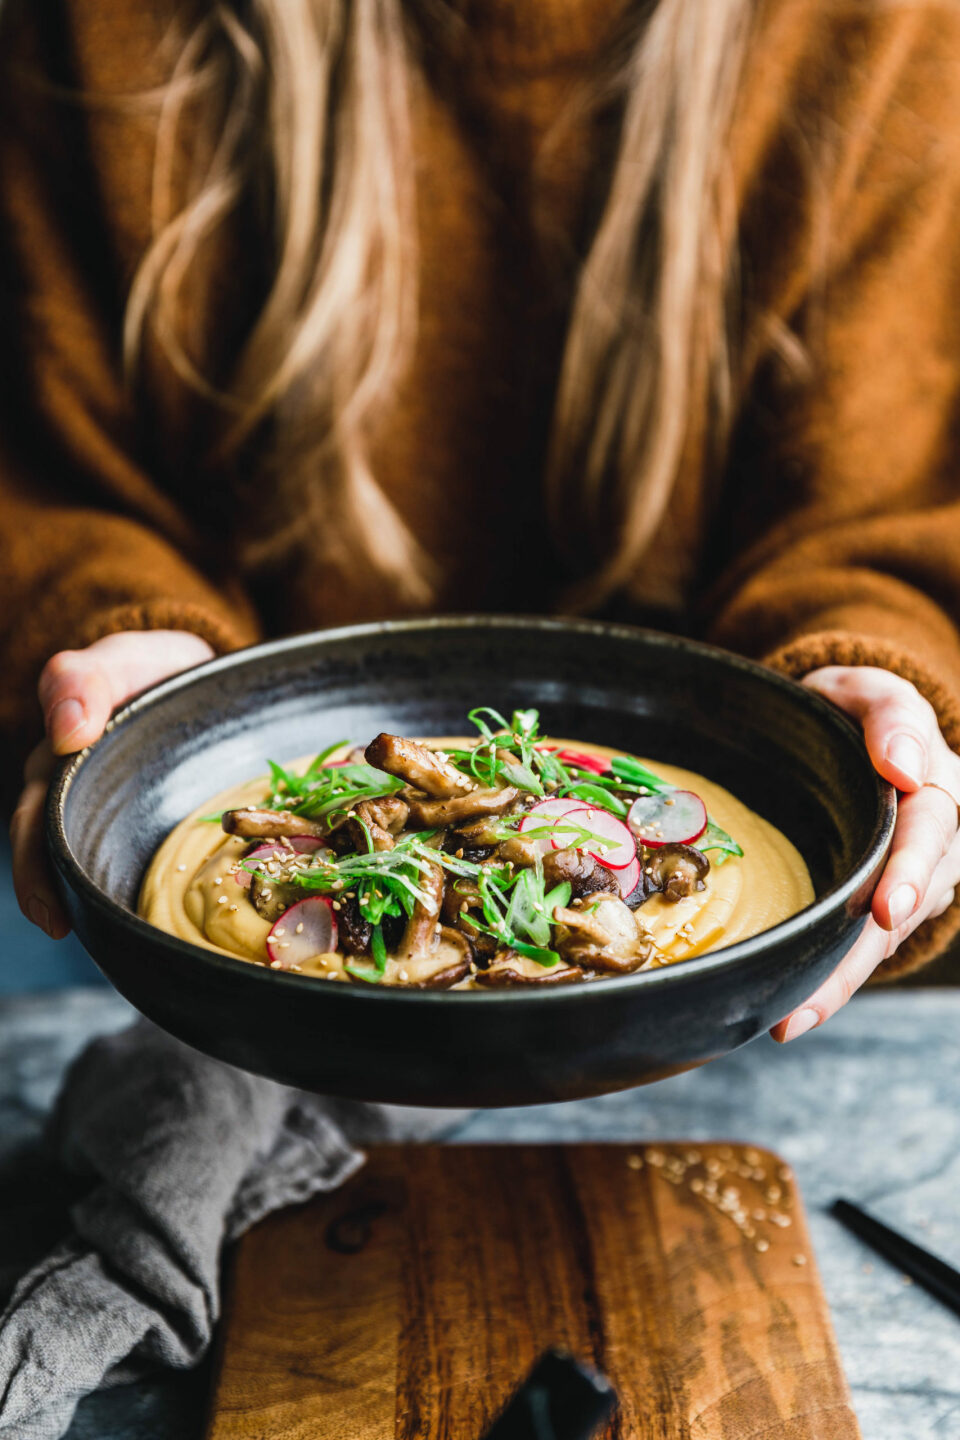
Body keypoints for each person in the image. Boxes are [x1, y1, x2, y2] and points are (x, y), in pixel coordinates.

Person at [4, 0, 960, 1042]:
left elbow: (883, 510)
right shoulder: (93, 26)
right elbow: (51, 467)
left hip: (791, 1037)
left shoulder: (889, 27)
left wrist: (880, 717)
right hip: (187, 1030)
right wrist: (122, 657)